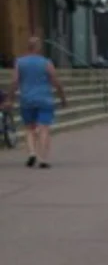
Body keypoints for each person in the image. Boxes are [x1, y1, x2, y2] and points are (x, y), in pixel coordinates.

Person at [11, 36, 67, 168]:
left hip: (27, 99)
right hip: (44, 99)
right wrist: (62, 97)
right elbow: (55, 80)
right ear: (39, 48)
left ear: (28, 47)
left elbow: (15, 81)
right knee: (44, 128)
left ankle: (32, 153)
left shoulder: (19, 62)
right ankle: (43, 159)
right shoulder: (46, 62)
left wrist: (10, 97)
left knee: (29, 128)